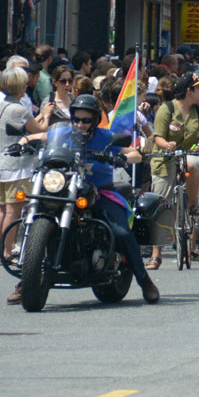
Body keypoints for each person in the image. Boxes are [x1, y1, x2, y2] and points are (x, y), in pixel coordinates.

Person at [53, 97, 159, 303]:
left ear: (94, 121)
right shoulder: (64, 133)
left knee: (122, 232)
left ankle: (144, 280)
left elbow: (135, 154)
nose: (80, 124)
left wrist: (121, 158)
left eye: (85, 120)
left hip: (100, 193)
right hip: (66, 192)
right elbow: (41, 136)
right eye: (76, 119)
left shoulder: (105, 137)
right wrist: (24, 142)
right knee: (41, 215)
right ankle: (27, 281)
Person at [0, 67, 54, 301]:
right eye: (24, 83)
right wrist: (46, 113)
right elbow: (40, 130)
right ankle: (8, 250)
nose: (27, 85)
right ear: (18, 86)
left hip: (2, 162)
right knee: (13, 210)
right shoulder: (18, 108)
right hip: (18, 166)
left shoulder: (2, 103)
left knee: (2, 207)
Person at [150, 71, 199, 261]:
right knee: (160, 203)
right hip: (165, 158)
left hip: (189, 156)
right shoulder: (166, 109)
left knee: (192, 166)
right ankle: (156, 254)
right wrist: (166, 145)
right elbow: (158, 136)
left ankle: (193, 206)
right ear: (188, 91)